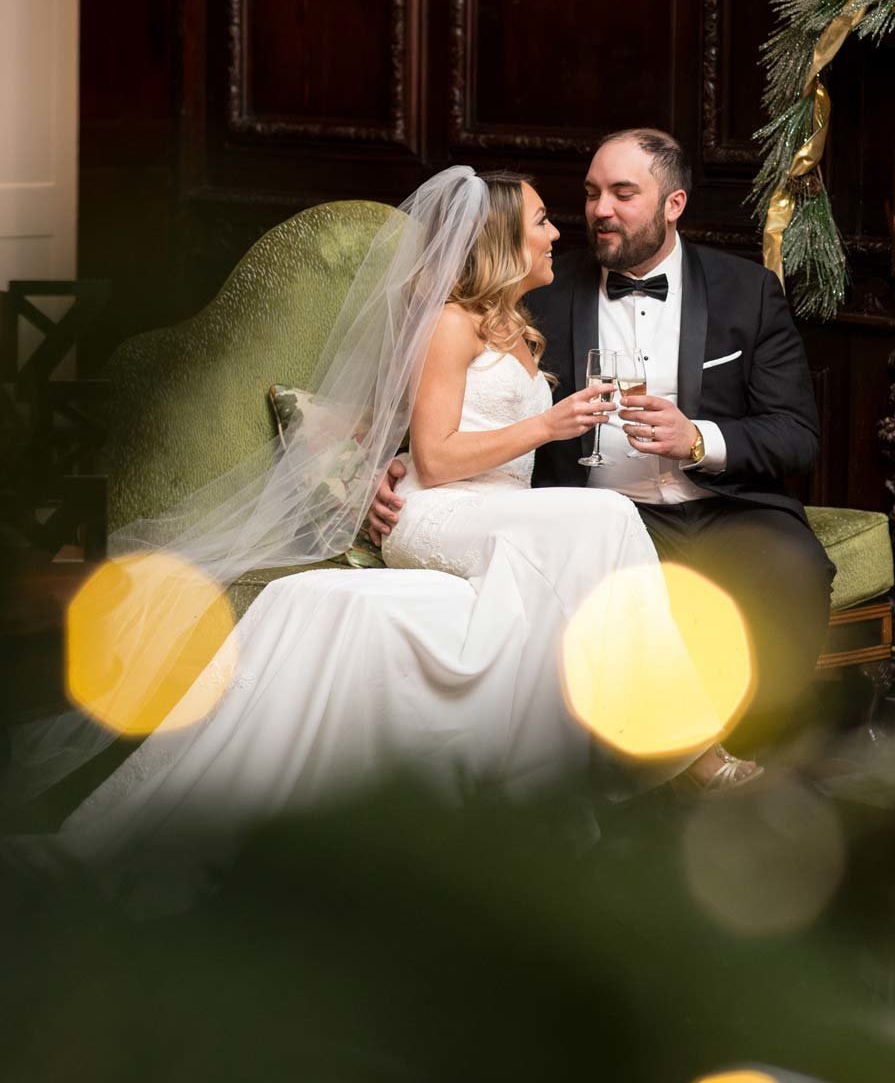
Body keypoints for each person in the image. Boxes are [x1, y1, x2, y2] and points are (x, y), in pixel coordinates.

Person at [35, 166, 753, 863]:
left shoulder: (512, 327)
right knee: (604, 521)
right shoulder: (448, 324)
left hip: (499, 512)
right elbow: (435, 460)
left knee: (596, 526)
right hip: (437, 514)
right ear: (501, 238)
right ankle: (678, 751)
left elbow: (421, 441)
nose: (556, 232)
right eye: (540, 220)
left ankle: (564, 771)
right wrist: (544, 427)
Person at [371, 132, 834, 756]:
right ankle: (644, 768)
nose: (599, 211)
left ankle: (755, 756)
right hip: (596, 508)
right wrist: (388, 465)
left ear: (674, 204)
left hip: (724, 505)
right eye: (591, 195)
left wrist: (697, 438)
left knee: (793, 569)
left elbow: (797, 435)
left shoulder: (746, 293)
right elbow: (454, 394)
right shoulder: (542, 290)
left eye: (622, 194)